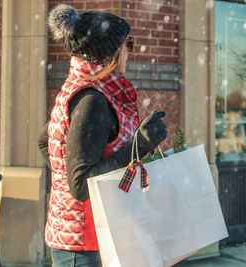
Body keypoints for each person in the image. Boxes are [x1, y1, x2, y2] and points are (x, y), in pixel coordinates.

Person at [40, 4, 167, 267]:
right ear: (109, 53)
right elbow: (81, 184)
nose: (129, 52)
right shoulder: (92, 100)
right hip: (84, 245)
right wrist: (139, 145)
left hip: (89, 237)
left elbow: (47, 141)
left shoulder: (83, 90)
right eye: (127, 45)